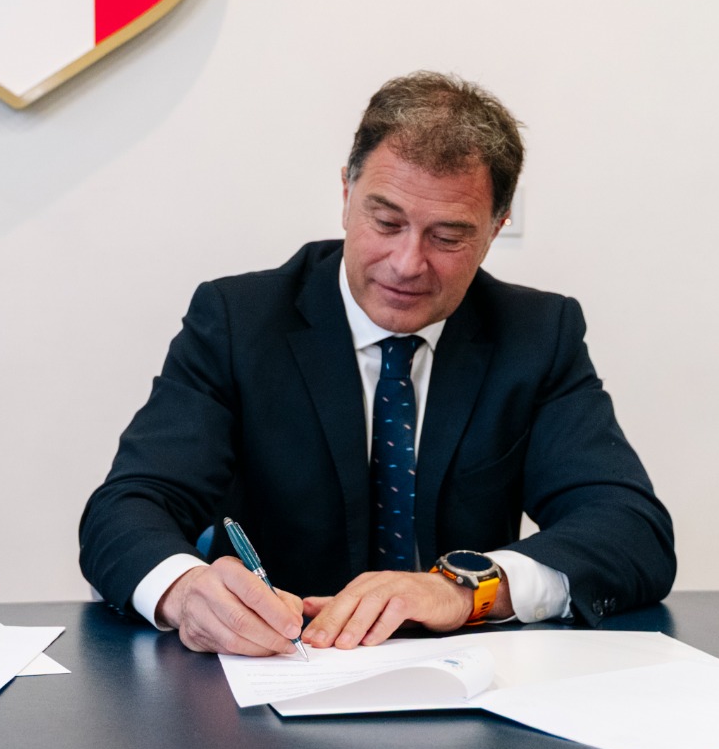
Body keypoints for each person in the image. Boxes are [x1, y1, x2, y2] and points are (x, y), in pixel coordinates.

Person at [79, 72, 674, 657]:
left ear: (496, 229)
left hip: (463, 684)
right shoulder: (240, 321)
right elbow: (126, 507)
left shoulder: (536, 334)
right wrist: (185, 592)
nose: (407, 263)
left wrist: (465, 590)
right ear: (346, 195)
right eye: (386, 222)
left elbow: (630, 528)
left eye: (448, 237)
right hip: (278, 668)